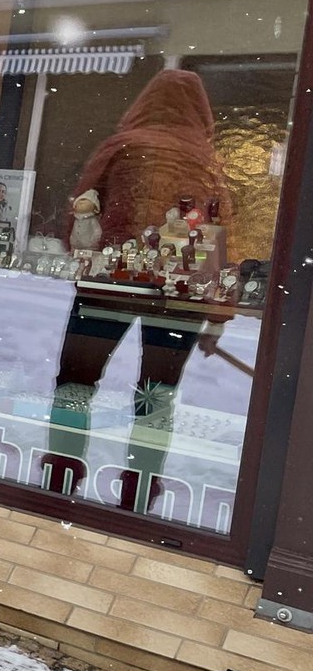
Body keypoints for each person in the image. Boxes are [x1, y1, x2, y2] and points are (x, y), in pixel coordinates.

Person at [45, 69, 233, 513]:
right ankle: (140, 491)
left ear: (144, 102)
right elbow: (223, 240)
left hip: (109, 285)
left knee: (76, 382)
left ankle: (60, 477)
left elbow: (79, 212)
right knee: (157, 396)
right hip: (178, 296)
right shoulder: (207, 161)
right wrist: (217, 316)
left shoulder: (120, 147)